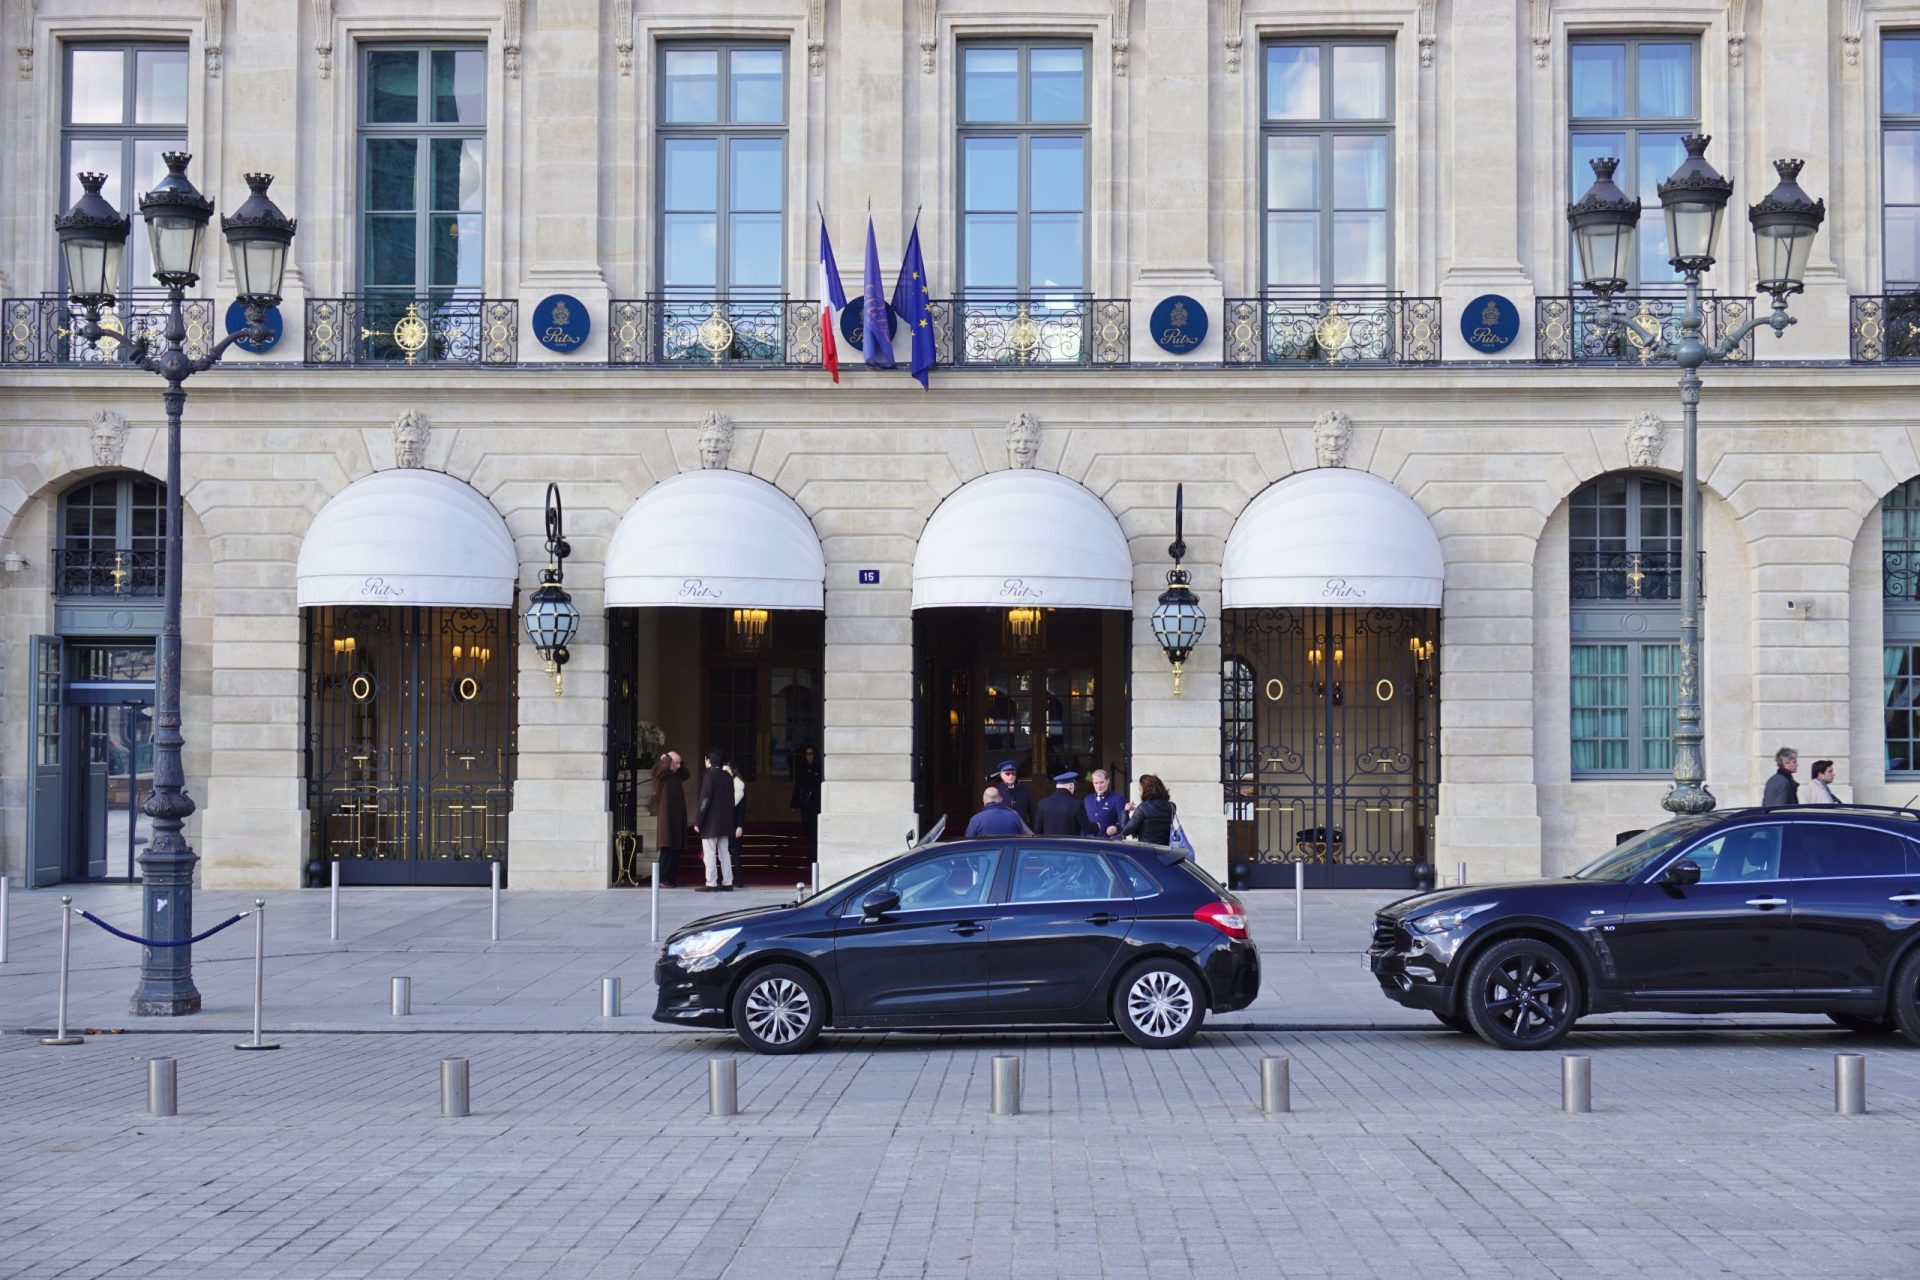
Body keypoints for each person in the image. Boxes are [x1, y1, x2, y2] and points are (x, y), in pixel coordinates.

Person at [692, 748, 739, 891]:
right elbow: (731, 800)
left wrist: (698, 820)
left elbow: (705, 800)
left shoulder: (709, 776)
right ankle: (728, 882)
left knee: (710, 852)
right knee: (724, 852)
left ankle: (711, 882)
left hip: (711, 823)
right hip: (725, 821)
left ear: (708, 760)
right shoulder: (727, 776)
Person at [649, 750, 688, 887]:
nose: (678, 766)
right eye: (676, 763)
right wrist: (665, 760)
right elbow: (660, 771)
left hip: (677, 816)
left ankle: (671, 878)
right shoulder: (660, 771)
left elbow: (686, 774)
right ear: (668, 762)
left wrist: (678, 763)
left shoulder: (676, 774)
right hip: (667, 816)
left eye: (679, 763)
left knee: (676, 849)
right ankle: (661, 879)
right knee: (667, 849)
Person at [1120, 774, 1177, 845]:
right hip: (1165, 850)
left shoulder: (1143, 807)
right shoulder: (1171, 806)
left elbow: (1126, 830)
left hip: (1148, 850)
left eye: (1140, 790)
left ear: (1146, 790)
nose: (1140, 793)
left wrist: (1126, 811)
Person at [1033, 771, 1090, 836]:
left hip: (1049, 845)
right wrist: (1097, 826)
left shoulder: (1042, 803)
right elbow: (1087, 828)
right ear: (1071, 786)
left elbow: (1037, 829)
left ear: (1057, 786)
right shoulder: (1077, 804)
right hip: (1070, 845)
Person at [790, 744, 822, 859]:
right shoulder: (802, 768)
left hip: (816, 803)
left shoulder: (819, 768)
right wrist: (794, 803)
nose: (809, 757)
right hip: (806, 803)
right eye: (807, 754)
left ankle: (814, 852)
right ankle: (811, 850)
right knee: (807, 827)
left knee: (815, 828)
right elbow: (798, 786)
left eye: (811, 754)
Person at [965, 787, 1029, 838]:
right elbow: (1021, 840)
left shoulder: (975, 820)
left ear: (984, 802)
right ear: (1001, 800)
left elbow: (968, 845)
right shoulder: (1014, 817)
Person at [1082, 768, 1125, 838]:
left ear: (1108, 781)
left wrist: (1116, 828)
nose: (1099, 786)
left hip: (1108, 843)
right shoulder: (1087, 799)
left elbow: (1124, 822)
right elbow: (1083, 822)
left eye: (1101, 782)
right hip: (1089, 842)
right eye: (1096, 783)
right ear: (1093, 783)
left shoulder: (1118, 799)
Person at [989, 760, 1033, 828]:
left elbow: (1032, 813)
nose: (1011, 776)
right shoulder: (996, 791)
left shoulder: (1025, 791)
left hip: (1020, 830)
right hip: (1002, 829)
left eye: (1013, 773)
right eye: (1007, 774)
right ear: (1001, 775)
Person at [726, 760, 747, 885]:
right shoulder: (723, 783)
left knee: (734, 852)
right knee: (725, 852)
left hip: (734, 824)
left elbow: (741, 809)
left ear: (733, 771)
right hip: (724, 823)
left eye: (728, 770)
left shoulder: (739, 785)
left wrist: (740, 826)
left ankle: (738, 880)